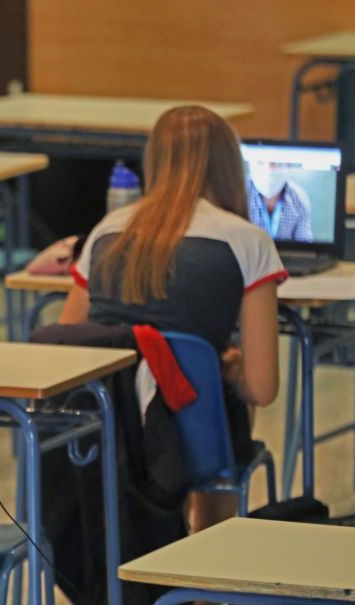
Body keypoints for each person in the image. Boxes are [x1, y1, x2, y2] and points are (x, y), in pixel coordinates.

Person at [59, 105, 285, 532]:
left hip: (106, 440)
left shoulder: (107, 230)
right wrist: (232, 369)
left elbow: (68, 346)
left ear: (154, 161)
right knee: (225, 389)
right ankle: (209, 548)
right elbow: (263, 387)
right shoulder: (249, 242)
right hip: (193, 444)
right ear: (228, 165)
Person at [246, 162, 314, 242]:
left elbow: (305, 246)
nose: (269, 169)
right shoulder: (239, 195)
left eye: (275, 163)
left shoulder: (299, 198)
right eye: (260, 162)